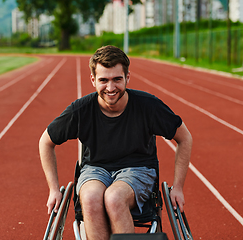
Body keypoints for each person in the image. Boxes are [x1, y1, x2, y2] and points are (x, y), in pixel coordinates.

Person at [39, 45, 192, 239]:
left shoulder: (148, 106)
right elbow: (45, 141)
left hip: (138, 169)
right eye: (103, 80)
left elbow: (184, 138)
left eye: (117, 79)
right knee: (90, 197)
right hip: (94, 169)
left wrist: (178, 187)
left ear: (127, 78)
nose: (110, 88)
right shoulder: (81, 110)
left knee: (114, 198)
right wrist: (53, 189)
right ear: (93, 80)